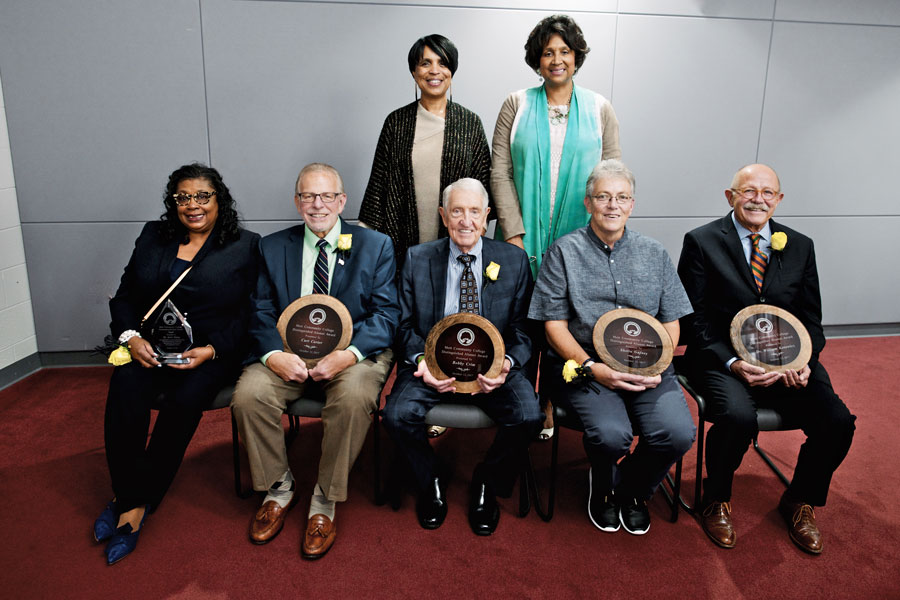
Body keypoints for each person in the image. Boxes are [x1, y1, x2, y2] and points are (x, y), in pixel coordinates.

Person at [677, 163, 856, 554]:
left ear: (779, 200)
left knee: (838, 422)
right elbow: (694, 320)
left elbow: (811, 320)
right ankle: (716, 498)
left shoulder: (800, 245)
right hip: (720, 359)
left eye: (767, 193)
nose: (758, 199)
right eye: (748, 191)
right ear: (731, 197)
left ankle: (800, 499)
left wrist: (806, 360)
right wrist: (734, 363)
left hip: (788, 362)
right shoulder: (702, 241)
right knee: (738, 416)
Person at [231, 163, 399, 560]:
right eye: (308, 196)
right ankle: (279, 487)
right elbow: (259, 311)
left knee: (356, 396)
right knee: (249, 394)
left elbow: (387, 315)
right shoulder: (272, 247)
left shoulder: (376, 245)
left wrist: (347, 355)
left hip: (353, 353)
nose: (317, 204)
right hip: (289, 353)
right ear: (297, 201)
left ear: (342, 201)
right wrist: (274, 356)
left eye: (326, 196)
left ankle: (325, 498)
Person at [95, 163, 260, 564]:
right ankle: (127, 492)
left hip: (206, 355)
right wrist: (131, 338)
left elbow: (252, 311)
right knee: (125, 392)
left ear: (219, 200)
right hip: (148, 349)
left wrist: (213, 350)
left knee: (182, 404)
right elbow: (125, 296)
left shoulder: (245, 244)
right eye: (183, 197)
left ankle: (134, 507)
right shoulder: (154, 236)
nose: (193, 205)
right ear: (174, 202)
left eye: (203, 196)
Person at [528, 159, 695, 535]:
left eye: (621, 197)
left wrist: (654, 364)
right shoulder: (563, 252)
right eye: (603, 196)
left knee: (678, 433)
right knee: (611, 434)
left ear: (632, 205)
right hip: (587, 366)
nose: (612, 205)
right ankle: (602, 487)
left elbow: (672, 321)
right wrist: (591, 366)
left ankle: (633, 489)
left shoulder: (655, 253)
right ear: (588, 203)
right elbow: (553, 325)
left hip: (649, 367)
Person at [382, 178, 542, 536]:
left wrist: (508, 364)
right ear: (443, 215)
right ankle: (430, 479)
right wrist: (422, 363)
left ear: (486, 217)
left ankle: (487, 481)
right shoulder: (417, 258)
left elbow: (523, 328)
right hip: (433, 364)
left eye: (474, 212)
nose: (465, 221)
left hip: (493, 368)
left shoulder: (513, 260)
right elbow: (403, 324)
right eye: (457, 211)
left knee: (528, 416)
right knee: (395, 416)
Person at [491, 13, 621, 276]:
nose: (557, 60)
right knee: (513, 310)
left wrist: (599, 236)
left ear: (576, 57)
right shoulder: (516, 104)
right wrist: (513, 235)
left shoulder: (600, 108)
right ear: (538, 60)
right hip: (517, 238)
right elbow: (500, 173)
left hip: (585, 239)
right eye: (548, 53)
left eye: (565, 51)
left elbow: (613, 180)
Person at [359, 34, 492, 271]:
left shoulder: (469, 122)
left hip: (459, 244)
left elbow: (484, 187)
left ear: (452, 72)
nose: (434, 71)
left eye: (443, 63)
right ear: (413, 72)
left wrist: (475, 233)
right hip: (401, 244)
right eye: (425, 63)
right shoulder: (396, 122)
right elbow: (377, 189)